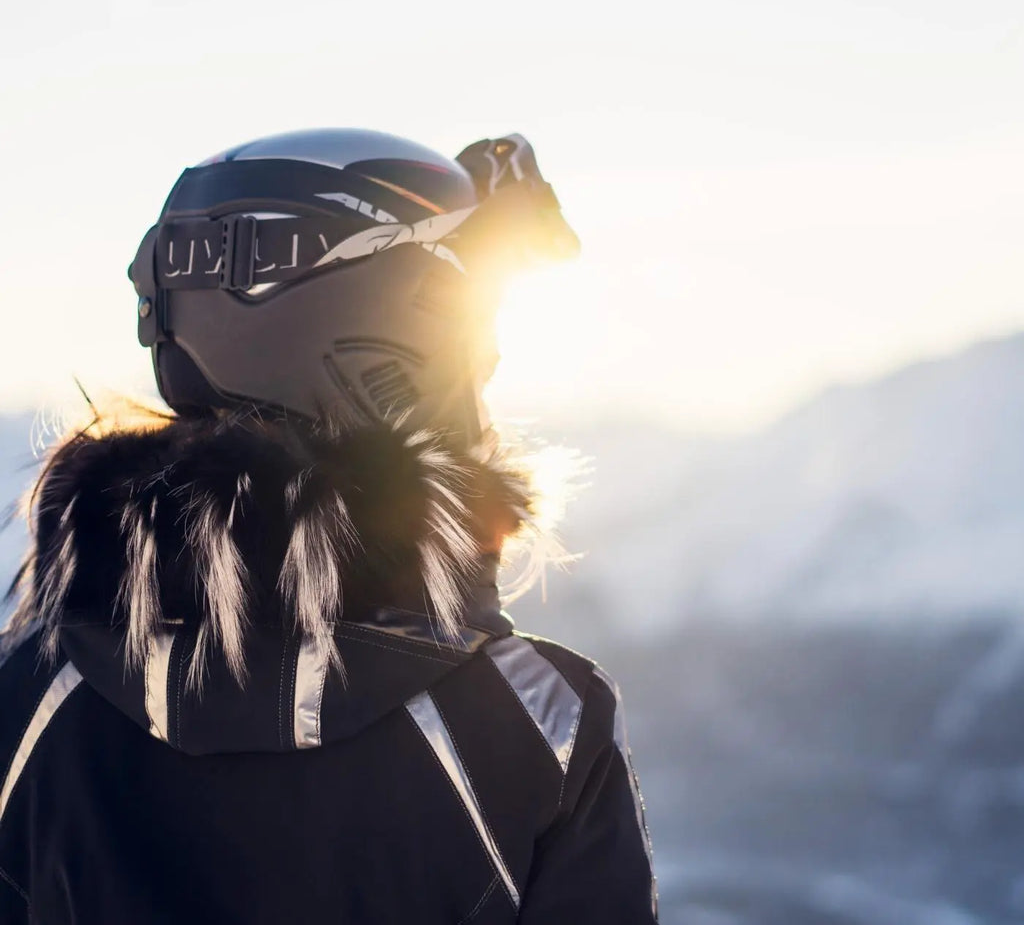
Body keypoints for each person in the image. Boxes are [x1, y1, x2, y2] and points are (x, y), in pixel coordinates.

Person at [0, 129, 658, 923]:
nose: (480, 413)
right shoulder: (537, 727)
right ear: (391, 366)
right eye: (466, 367)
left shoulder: (28, 701)